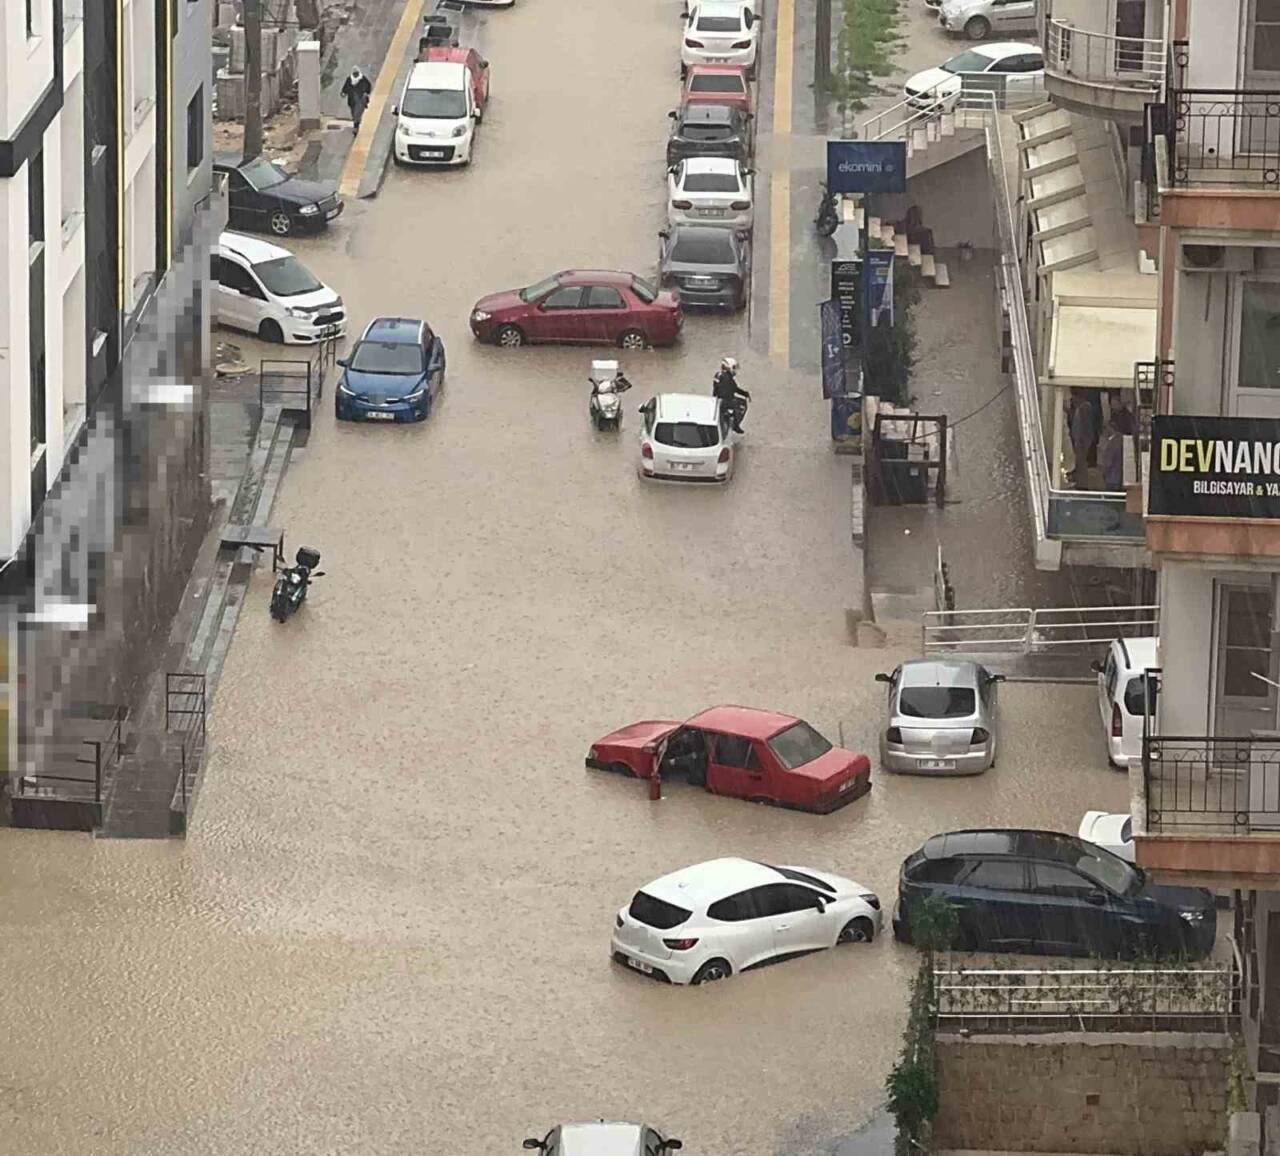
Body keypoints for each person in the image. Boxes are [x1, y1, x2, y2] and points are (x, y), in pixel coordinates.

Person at [712, 357, 750, 433]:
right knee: (742, 404)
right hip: (725, 401)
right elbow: (734, 389)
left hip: (716, 400)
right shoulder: (728, 378)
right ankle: (735, 425)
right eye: (734, 368)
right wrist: (745, 394)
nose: (735, 370)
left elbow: (716, 388)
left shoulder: (718, 375)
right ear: (729, 367)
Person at [1068, 389, 1097, 489]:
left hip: (1081, 442)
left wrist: (1081, 441)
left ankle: (1082, 484)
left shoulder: (1084, 408)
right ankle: (1080, 482)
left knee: (1081, 463)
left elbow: (1084, 427)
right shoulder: (1079, 409)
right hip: (1080, 440)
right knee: (1080, 462)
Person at [341, 67, 373, 133]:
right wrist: (343, 92)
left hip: (360, 100)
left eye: (357, 73)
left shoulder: (362, 79)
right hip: (352, 100)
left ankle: (355, 127)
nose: (356, 74)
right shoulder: (349, 79)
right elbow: (345, 88)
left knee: (357, 113)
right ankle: (356, 123)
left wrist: (366, 93)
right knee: (354, 114)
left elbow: (368, 86)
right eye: (354, 73)